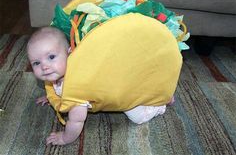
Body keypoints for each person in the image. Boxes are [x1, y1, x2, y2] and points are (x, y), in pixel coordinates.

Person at [27, 26, 176, 145]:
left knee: (138, 116)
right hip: (119, 78)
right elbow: (55, 87)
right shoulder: (56, 73)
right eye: (36, 63)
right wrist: (51, 97)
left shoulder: (76, 89)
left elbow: (76, 121)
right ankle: (151, 88)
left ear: (70, 53)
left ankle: (160, 102)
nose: (44, 66)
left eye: (51, 57)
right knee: (137, 84)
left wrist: (65, 138)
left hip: (123, 94)